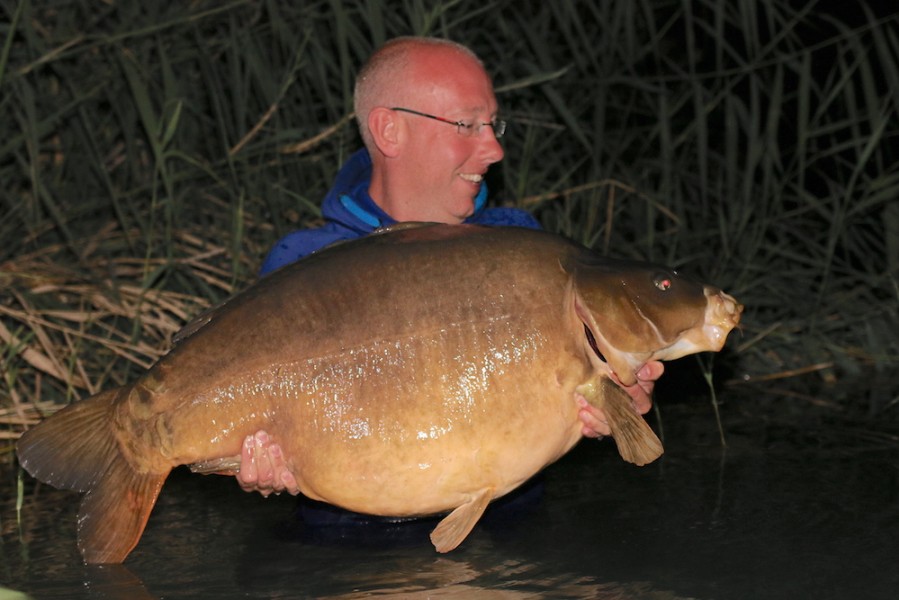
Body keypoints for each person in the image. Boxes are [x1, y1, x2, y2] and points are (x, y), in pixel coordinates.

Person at [237, 36, 663, 498]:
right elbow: (253, 412)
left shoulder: (518, 246)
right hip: (338, 549)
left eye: (492, 125)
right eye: (466, 124)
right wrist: (265, 467)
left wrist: (610, 407)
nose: (494, 149)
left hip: (511, 541)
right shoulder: (302, 263)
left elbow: (563, 398)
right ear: (389, 131)